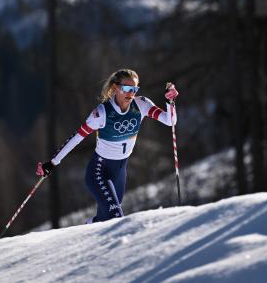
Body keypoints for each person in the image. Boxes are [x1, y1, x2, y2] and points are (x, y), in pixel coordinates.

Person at [36, 68, 179, 223]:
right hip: (99, 171)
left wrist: (169, 102)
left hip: (120, 171)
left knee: (105, 220)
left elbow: (170, 121)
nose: (131, 94)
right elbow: (76, 138)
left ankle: (88, 227)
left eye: (135, 89)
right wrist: (52, 163)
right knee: (116, 218)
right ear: (115, 88)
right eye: (127, 89)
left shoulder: (141, 104)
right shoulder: (102, 113)